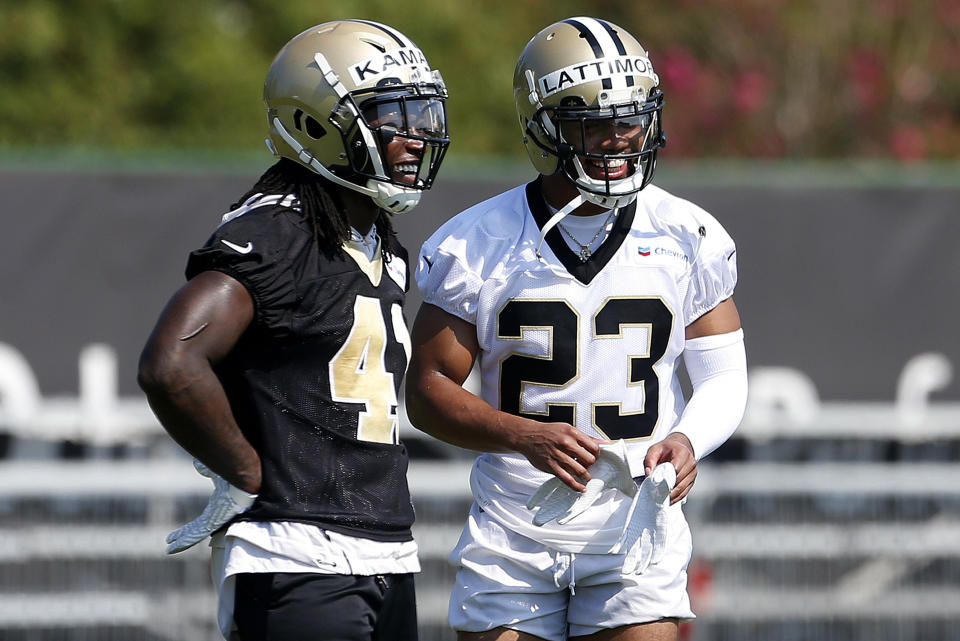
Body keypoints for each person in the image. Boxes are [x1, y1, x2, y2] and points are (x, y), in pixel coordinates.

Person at [405, 16, 747, 641]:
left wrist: (689, 438)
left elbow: (723, 376)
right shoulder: (476, 242)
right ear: (545, 128)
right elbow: (426, 391)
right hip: (512, 525)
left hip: (635, 524)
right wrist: (521, 435)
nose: (620, 139)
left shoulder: (687, 235)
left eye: (631, 118)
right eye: (597, 123)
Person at [137, 19, 450, 641]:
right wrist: (243, 470)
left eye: (423, 115)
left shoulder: (374, 238)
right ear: (318, 124)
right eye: (393, 114)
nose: (415, 136)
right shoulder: (279, 232)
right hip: (294, 551)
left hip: (384, 546)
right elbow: (170, 364)